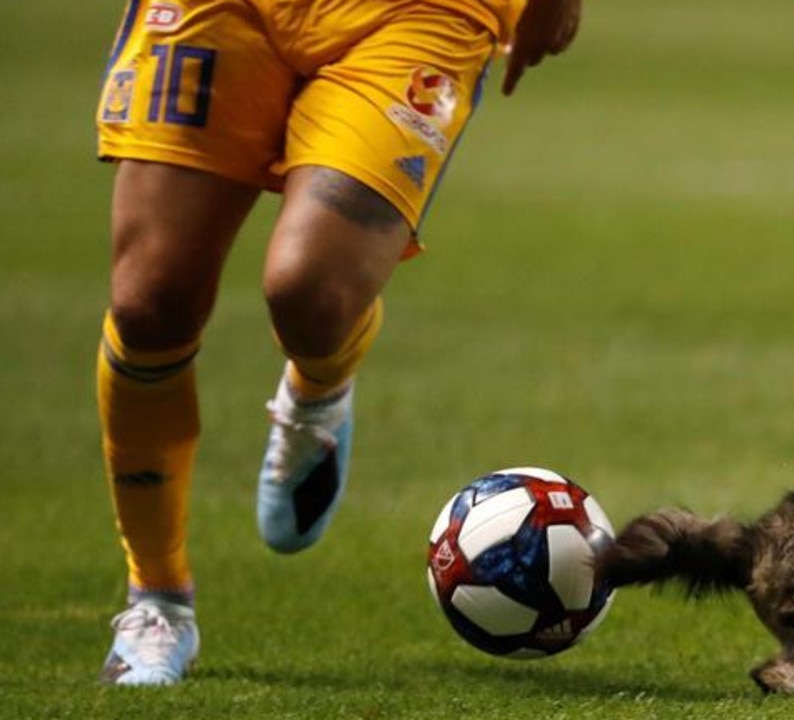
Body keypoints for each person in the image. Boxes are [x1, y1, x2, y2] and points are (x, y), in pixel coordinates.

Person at [93, 0, 581, 686]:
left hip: (416, 12)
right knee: (149, 304)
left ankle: (318, 390)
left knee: (311, 297)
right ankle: (158, 601)